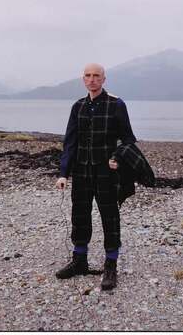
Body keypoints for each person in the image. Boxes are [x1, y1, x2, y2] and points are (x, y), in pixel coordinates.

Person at [55, 63, 137, 291]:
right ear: (83, 79)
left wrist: (118, 159)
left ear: (103, 79)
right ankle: (79, 260)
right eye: (88, 76)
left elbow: (128, 140)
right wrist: (64, 173)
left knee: (109, 218)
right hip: (81, 171)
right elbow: (70, 142)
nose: (92, 80)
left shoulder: (117, 105)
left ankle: (111, 265)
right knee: (79, 215)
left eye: (96, 76)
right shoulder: (77, 107)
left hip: (106, 172)